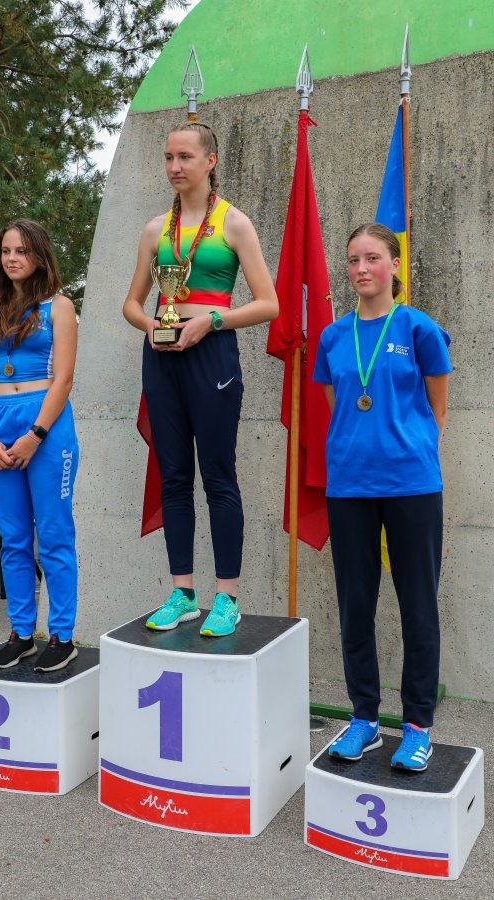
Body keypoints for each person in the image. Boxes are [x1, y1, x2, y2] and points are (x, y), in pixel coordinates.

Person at [123, 122, 278, 637]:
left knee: (217, 475)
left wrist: (210, 321)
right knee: (173, 476)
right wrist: (153, 327)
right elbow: (132, 304)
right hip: (162, 357)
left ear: (210, 161)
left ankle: (226, 597)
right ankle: (183, 592)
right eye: (169, 157)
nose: (174, 166)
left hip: (212, 355)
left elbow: (268, 304)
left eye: (185, 156)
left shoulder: (234, 223)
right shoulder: (155, 230)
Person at [313, 223, 452, 772]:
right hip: (349, 486)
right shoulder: (333, 336)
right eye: (353, 260)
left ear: (394, 265)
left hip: (412, 485)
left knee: (418, 607)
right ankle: (364, 718)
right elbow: (339, 405)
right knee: (355, 607)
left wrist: (407, 448)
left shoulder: (419, 328)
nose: (361, 269)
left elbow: (437, 409)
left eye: (372, 258)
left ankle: (417, 726)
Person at [0, 219, 79, 672]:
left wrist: (34, 436)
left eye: (21, 250)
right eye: (6, 251)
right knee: (13, 538)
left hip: (45, 424)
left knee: (53, 534)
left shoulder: (60, 307)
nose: (12, 258)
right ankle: (21, 633)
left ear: (39, 255)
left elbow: (64, 380)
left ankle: (63, 636)